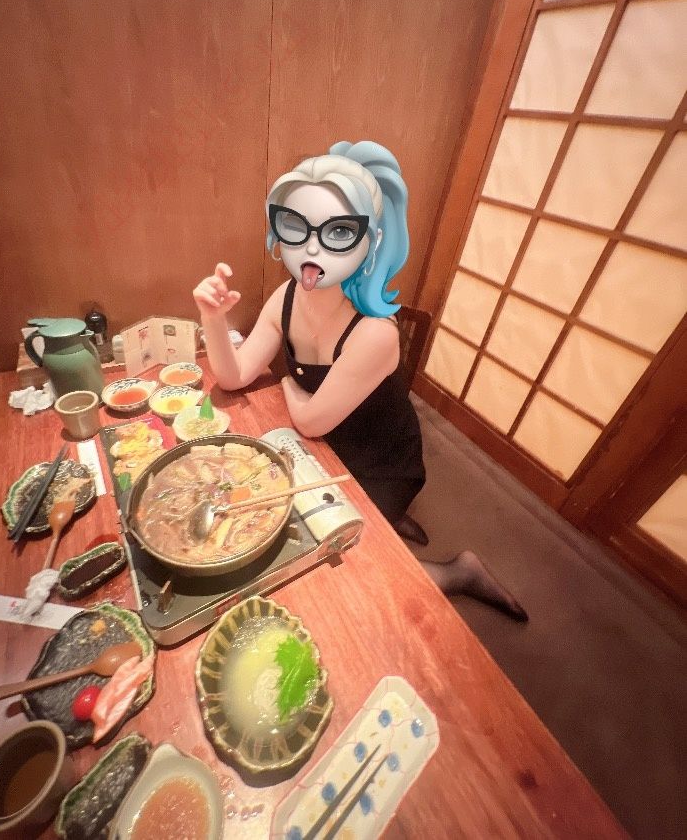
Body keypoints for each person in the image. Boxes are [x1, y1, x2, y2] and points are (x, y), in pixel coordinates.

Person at [193, 141, 527, 621]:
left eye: (339, 231)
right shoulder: (287, 295)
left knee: (346, 567)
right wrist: (212, 319)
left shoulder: (375, 332)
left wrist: (288, 385)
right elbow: (234, 375)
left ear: (371, 241)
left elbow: (309, 420)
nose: (312, 248)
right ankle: (387, 524)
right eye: (296, 225)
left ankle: (459, 571)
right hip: (326, 446)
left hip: (380, 461)